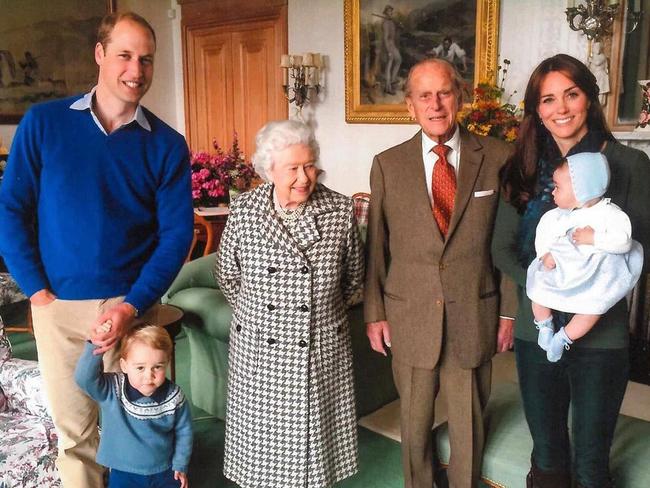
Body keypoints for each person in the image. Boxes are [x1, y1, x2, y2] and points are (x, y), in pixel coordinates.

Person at [0, 12, 193, 487]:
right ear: (101, 54)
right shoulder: (44, 124)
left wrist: (131, 306)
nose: (136, 70)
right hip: (59, 308)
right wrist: (38, 292)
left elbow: (175, 236)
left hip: (132, 309)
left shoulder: (167, 144)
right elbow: (10, 209)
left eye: (146, 59)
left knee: (142, 427)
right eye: (125, 55)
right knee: (76, 438)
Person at [492, 54, 650, 488]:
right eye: (548, 99)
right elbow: (502, 250)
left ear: (589, 99)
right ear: (536, 110)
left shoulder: (629, 165)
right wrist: (551, 288)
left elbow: (642, 252)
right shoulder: (521, 168)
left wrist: (585, 293)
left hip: (603, 335)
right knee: (547, 454)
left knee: (592, 460)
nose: (561, 108)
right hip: (535, 331)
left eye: (571, 94)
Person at [364, 58, 514, 488]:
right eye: (424, 95)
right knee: (413, 424)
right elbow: (377, 246)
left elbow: (506, 245)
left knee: (469, 422)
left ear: (460, 97)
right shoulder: (387, 164)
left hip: (474, 312)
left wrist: (508, 313)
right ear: (409, 105)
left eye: (444, 92)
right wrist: (375, 312)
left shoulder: (499, 157)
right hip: (409, 314)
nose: (435, 104)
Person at [215, 119, 364, 488]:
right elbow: (227, 276)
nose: (303, 177)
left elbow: (354, 281)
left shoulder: (339, 211)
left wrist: (320, 315)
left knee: (312, 461)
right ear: (269, 170)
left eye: (309, 165)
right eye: (292, 168)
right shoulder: (245, 210)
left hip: (317, 348)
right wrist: (258, 319)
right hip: (258, 353)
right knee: (261, 454)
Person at [526, 153, 643, 362]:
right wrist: (544, 254)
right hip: (561, 268)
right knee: (537, 288)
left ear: (582, 189)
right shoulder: (556, 216)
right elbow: (543, 235)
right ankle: (544, 325)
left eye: (558, 187)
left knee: (593, 308)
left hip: (593, 274)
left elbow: (623, 241)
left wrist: (595, 238)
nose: (552, 192)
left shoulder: (611, 215)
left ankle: (564, 337)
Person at [75, 324, 193, 488]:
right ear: (124, 366)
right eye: (140, 367)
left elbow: (184, 433)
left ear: (166, 363)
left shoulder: (174, 396)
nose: (148, 376)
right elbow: (84, 378)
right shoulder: (111, 389)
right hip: (123, 473)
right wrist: (97, 345)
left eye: (157, 367)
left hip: (165, 470)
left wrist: (180, 464)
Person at [382, 5, 402, 95]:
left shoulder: (391, 22)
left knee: (399, 60)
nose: (391, 13)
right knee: (389, 65)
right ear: (385, 13)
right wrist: (388, 51)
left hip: (392, 44)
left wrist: (400, 25)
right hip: (388, 45)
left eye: (391, 12)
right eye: (389, 12)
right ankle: (387, 87)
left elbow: (395, 32)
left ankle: (393, 79)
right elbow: (385, 38)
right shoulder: (385, 23)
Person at [588, 42, 609, 106]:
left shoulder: (602, 56)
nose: (597, 49)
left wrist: (591, 60)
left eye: (598, 47)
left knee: (601, 92)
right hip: (595, 75)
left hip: (601, 76)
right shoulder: (593, 56)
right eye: (596, 47)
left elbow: (597, 63)